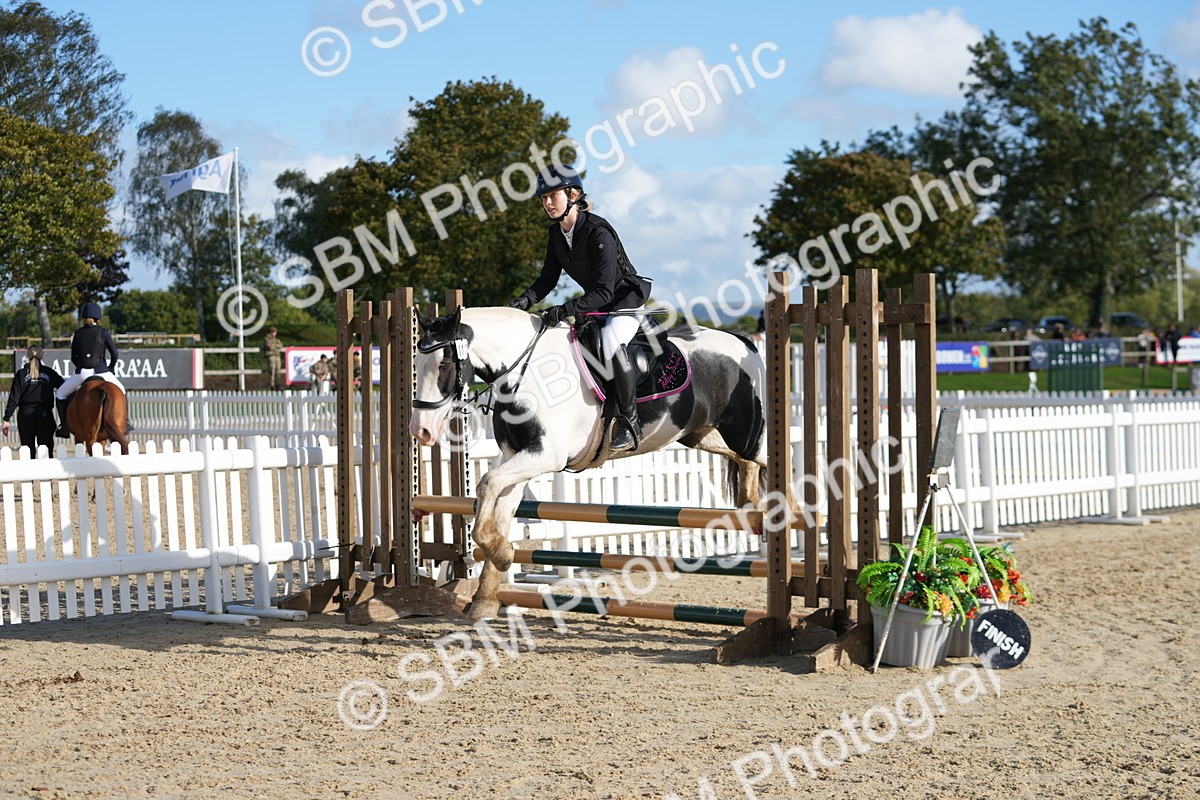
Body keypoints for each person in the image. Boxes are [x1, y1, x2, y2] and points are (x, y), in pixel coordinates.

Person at [507, 164, 652, 451]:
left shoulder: (598, 232)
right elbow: (547, 279)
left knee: (611, 340)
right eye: (543, 198)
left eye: (552, 196)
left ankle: (629, 422)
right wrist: (523, 301)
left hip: (624, 301)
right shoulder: (556, 234)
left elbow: (605, 290)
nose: (547, 203)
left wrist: (566, 308)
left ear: (572, 194)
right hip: (596, 304)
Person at [55, 302, 131, 438]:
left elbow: (73, 357)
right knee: (122, 391)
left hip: (82, 372)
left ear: (83, 318)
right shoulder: (104, 332)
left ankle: (64, 426)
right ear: (98, 318)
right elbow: (115, 354)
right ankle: (126, 422)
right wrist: (110, 368)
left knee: (60, 394)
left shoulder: (77, 334)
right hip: (102, 371)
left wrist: (81, 366)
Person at [3, 344, 65, 454]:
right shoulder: (49, 373)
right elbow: (64, 387)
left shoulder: (21, 374)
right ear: (42, 355)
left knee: (27, 451)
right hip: (44, 414)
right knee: (46, 451)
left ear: (28, 356)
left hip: (26, 415)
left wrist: (7, 418)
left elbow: (14, 398)